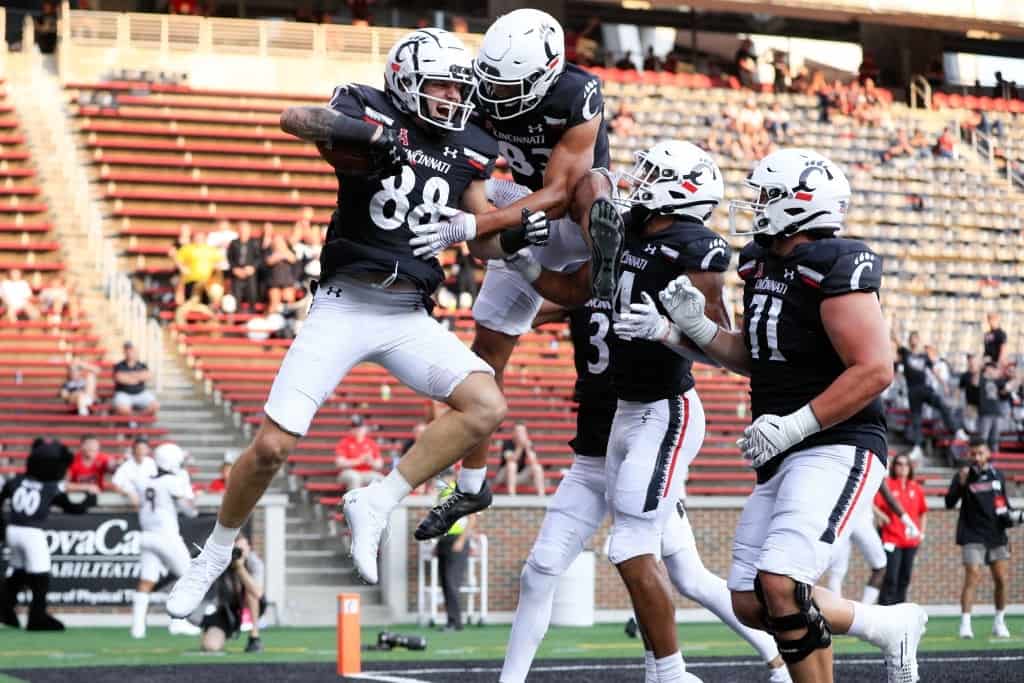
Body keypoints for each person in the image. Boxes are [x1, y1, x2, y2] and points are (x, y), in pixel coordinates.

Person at [167, 28, 508, 616]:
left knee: (486, 405)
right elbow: (295, 120)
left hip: (408, 313)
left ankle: (377, 499)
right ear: (406, 82)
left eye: (459, 87)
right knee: (271, 447)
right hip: (345, 303)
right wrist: (370, 136)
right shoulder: (368, 105)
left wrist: (508, 230)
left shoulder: (470, 143)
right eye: (442, 86)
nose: (455, 97)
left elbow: (485, 245)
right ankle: (216, 552)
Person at [500, 150, 790, 683]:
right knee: (554, 567)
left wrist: (667, 330)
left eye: (654, 174)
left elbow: (721, 347)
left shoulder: (695, 249)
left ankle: (675, 672)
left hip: (663, 414)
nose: (640, 182)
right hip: (613, 428)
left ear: (682, 189)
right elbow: (570, 285)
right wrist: (518, 259)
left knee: (640, 551)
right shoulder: (623, 236)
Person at [661, 148, 927, 682]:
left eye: (766, 195)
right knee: (750, 599)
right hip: (783, 446)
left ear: (800, 203)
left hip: (837, 441)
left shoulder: (833, 263)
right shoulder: (762, 262)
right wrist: (696, 330)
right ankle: (885, 624)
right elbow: (756, 357)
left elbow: (875, 369)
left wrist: (795, 424)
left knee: (781, 585)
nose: (756, 204)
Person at [412, 9, 610, 543]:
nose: (496, 96)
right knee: (485, 359)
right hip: (526, 211)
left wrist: (476, 225)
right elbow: (466, 166)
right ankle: (471, 485)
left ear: (546, 73)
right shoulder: (480, 90)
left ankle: (608, 269)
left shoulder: (577, 93)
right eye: (492, 82)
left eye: (510, 86)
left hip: (572, 213)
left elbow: (562, 193)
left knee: (594, 187)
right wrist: (474, 216)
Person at [0, 438, 96, 630]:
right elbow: (73, 508)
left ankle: (4, 609)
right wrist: (90, 499)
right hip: (32, 533)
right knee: (40, 577)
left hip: (13, 530)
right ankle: (37, 617)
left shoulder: (16, 481)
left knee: (19, 572)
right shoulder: (49, 487)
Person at [946, 436, 1022, 639]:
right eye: (973, 453)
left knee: (1002, 580)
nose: (977, 457)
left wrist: (1016, 517)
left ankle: (999, 622)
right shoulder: (963, 474)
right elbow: (949, 503)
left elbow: (1003, 506)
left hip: (996, 534)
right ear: (968, 454)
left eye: (981, 453)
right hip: (972, 533)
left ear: (988, 453)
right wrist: (961, 484)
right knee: (973, 575)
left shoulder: (998, 475)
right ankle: (965, 624)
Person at [129, 443, 202, 639]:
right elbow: (190, 511)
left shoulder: (145, 480)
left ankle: (137, 628)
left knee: (147, 581)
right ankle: (178, 622)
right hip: (166, 536)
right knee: (190, 576)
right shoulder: (172, 481)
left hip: (147, 535)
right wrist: (191, 493)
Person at [898, 331, 966, 462]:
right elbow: (897, 341)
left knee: (942, 405)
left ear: (919, 340)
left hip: (925, 388)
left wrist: (944, 384)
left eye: (916, 338)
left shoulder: (924, 356)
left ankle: (957, 430)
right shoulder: (906, 353)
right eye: (912, 338)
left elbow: (933, 370)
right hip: (913, 391)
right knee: (916, 420)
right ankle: (917, 447)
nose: (914, 341)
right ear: (909, 341)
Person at [200, 534, 266, 653]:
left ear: (248, 548)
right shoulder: (220, 563)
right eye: (235, 550)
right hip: (227, 609)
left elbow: (258, 593)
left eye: (242, 549)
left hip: (251, 604)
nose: (238, 553)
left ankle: (254, 636)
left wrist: (240, 568)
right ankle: (221, 633)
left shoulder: (254, 562)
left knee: (251, 590)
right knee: (210, 646)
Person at [875, 454, 926, 605]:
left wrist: (921, 533)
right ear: (894, 466)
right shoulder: (888, 485)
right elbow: (873, 504)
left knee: (905, 578)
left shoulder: (915, 487)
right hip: (891, 539)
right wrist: (882, 516)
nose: (903, 467)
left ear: (910, 467)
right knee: (891, 577)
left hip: (911, 541)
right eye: (899, 464)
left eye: (906, 464)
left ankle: (900, 611)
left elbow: (923, 512)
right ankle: (885, 609)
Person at [433, 478, 477, 631]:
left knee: (452, 581)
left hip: (457, 540)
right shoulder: (443, 495)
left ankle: (455, 621)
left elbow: (472, 519)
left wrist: (462, 540)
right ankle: (451, 621)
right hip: (444, 540)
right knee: (445, 582)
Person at [824, 501, 887, 606]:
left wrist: (878, 513)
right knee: (880, 566)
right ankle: (865, 609)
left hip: (842, 520)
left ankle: (836, 610)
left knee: (836, 572)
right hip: (860, 520)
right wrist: (904, 517)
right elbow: (886, 496)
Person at [334, 415, 385, 491]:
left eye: (360, 427)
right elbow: (340, 463)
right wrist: (359, 460)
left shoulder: (371, 443)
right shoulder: (344, 442)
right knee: (355, 478)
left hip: (367, 472)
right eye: (355, 427)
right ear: (351, 429)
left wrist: (370, 461)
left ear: (365, 428)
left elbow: (379, 464)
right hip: (348, 472)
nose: (358, 429)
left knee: (381, 479)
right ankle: (354, 499)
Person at [494, 423, 546, 496]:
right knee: (512, 465)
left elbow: (534, 461)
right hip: (504, 476)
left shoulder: (528, 444)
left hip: (519, 476)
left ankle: (541, 494)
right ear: (513, 433)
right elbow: (511, 459)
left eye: (522, 431)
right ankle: (512, 494)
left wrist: (528, 448)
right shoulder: (507, 443)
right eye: (518, 431)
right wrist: (520, 447)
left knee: (537, 468)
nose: (520, 434)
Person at [112, 341, 159, 416]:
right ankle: (135, 417)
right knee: (122, 409)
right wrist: (139, 376)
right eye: (127, 350)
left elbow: (148, 376)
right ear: (124, 352)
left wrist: (129, 376)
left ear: (136, 351)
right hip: (124, 394)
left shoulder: (142, 365)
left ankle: (138, 416)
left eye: (131, 350)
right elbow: (120, 378)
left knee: (155, 406)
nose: (129, 352)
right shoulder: (119, 365)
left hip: (141, 393)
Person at [110, 436, 156, 506]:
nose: (141, 451)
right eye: (139, 448)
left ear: (148, 450)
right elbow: (115, 485)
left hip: (150, 503)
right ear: (134, 450)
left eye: (144, 448)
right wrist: (129, 493)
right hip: (129, 504)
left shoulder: (152, 464)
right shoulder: (126, 466)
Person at [227, 221, 261, 311]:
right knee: (236, 293)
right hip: (237, 271)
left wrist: (253, 267)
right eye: (241, 231)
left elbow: (259, 258)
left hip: (250, 271)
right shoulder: (233, 243)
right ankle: (237, 311)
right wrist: (234, 269)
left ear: (249, 232)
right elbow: (230, 258)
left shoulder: (255, 243)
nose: (243, 233)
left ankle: (252, 310)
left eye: (245, 231)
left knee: (252, 292)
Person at [977, 362, 1011, 452]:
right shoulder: (981, 380)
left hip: (997, 413)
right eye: (992, 368)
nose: (994, 371)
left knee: (995, 440)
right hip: (985, 413)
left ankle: (995, 458)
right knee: (983, 439)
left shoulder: (998, 381)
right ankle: (982, 457)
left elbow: (1006, 390)